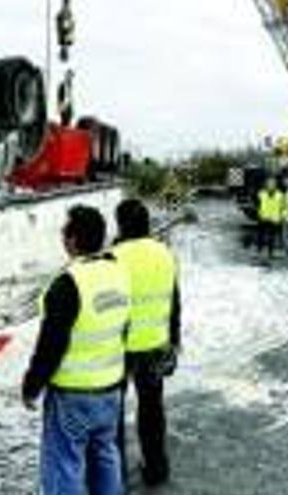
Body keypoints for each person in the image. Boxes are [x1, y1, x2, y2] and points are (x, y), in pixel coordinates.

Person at [23, 205, 130, 495]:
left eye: (64, 231)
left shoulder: (68, 284)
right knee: (106, 457)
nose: (61, 237)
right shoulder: (118, 272)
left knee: (64, 466)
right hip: (110, 389)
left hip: (72, 395)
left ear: (72, 240)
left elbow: (50, 346)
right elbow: (124, 328)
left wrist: (32, 386)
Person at [111, 198, 181, 488]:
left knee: (113, 413)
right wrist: (174, 341)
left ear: (121, 224)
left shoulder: (114, 256)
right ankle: (156, 468)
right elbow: (175, 301)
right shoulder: (165, 253)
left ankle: (114, 475)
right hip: (155, 345)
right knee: (152, 409)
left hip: (120, 348)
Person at [256, 177, 284, 257]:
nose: (270, 185)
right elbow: (257, 204)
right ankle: (259, 251)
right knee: (260, 236)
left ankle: (270, 252)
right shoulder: (261, 193)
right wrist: (259, 214)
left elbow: (282, 206)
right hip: (263, 217)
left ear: (275, 185)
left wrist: (280, 216)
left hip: (274, 218)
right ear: (266, 184)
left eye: (272, 183)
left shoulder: (280, 195)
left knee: (272, 236)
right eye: (269, 183)